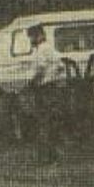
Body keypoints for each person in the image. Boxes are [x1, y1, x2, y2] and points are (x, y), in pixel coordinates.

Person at [26, 24, 65, 164]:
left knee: (46, 121)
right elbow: (60, 66)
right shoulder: (48, 49)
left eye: (32, 36)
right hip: (50, 87)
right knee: (49, 122)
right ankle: (51, 155)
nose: (31, 40)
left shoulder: (43, 49)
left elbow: (41, 68)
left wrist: (32, 82)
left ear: (39, 35)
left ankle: (49, 157)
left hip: (46, 88)